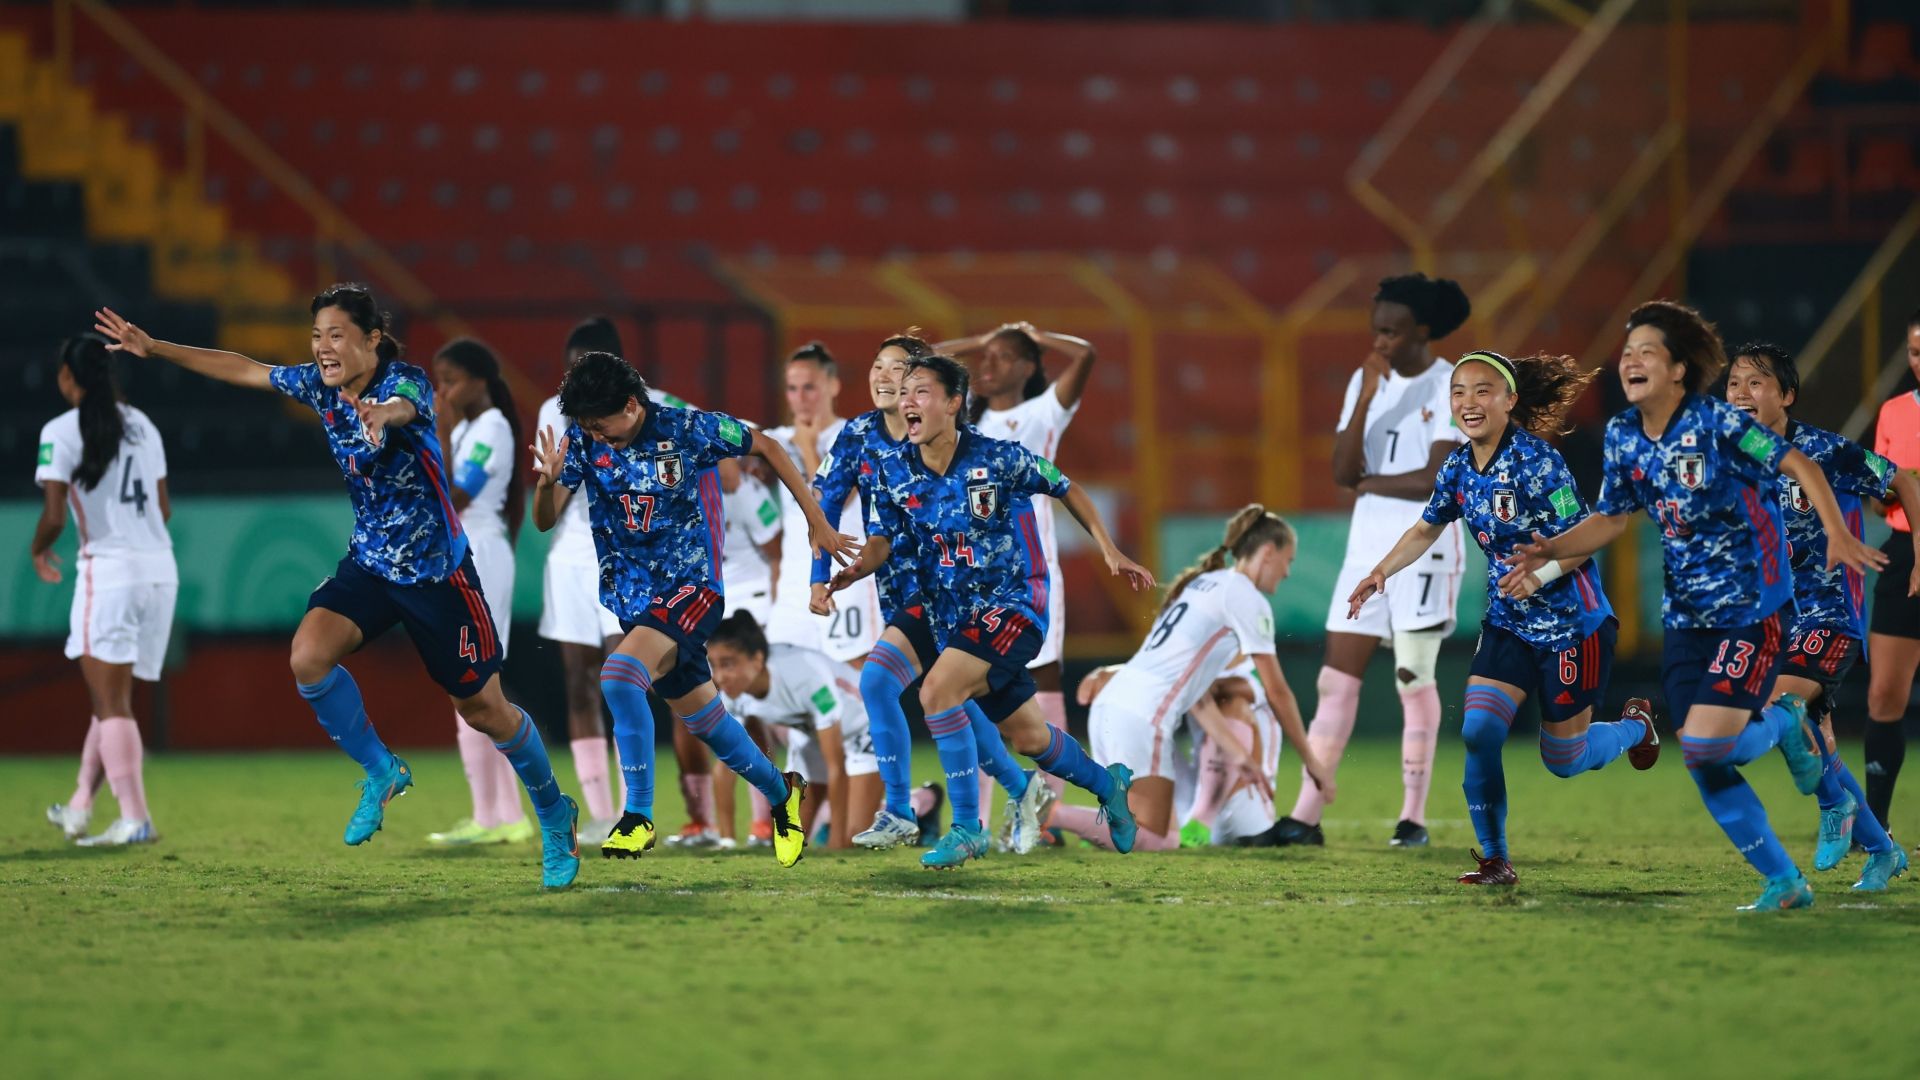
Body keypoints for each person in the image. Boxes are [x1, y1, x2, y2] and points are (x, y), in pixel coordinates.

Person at [95, 287, 582, 888]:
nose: (322, 348)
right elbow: (244, 369)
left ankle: (555, 813)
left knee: (485, 710)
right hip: (371, 565)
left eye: (335, 335)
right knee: (308, 656)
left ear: (371, 339)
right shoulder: (318, 386)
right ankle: (381, 770)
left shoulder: (406, 383)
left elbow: (404, 407)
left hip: (438, 574)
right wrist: (155, 348)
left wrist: (381, 414)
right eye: (316, 336)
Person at [1508, 300, 1886, 910]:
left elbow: (1797, 462)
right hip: (1685, 622)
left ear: (1679, 368)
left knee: (1710, 747)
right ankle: (1784, 881)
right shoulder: (1624, 434)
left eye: (1646, 351)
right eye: (1627, 352)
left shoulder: (1719, 423)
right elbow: (1612, 519)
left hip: (1754, 612)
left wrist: (1839, 534)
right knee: (1701, 756)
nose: (1630, 361)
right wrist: (1552, 549)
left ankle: (1787, 725)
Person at [826, 354, 1156, 869]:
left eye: (920, 391)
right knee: (1030, 737)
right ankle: (1108, 784)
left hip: (1013, 604)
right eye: (904, 392)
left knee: (938, 691)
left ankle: (966, 828)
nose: (907, 401)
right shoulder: (893, 470)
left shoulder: (998, 457)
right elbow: (881, 541)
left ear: (953, 403)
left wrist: (1109, 549)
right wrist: (853, 571)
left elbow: (1066, 487)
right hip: (949, 615)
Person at [1341, 350, 1657, 884]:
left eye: (1482, 390)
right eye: (1459, 391)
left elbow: (1583, 539)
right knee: (1479, 731)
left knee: (1565, 759)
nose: (1469, 401)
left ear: (1509, 400)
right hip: (1509, 623)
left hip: (1572, 625)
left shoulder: (1539, 462)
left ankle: (1635, 727)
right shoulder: (1457, 467)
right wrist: (1381, 571)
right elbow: (1426, 527)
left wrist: (1539, 575)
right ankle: (1495, 859)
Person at [530, 350, 852, 868]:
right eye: (586, 426)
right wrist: (547, 485)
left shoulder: (687, 429)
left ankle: (637, 815)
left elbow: (766, 445)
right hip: (633, 599)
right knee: (706, 720)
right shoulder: (584, 442)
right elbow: (544, 521)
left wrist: (816, 519)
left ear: (631, 405)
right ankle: (782, 792)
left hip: (692, 587)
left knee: (618, 677)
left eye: (600, 424)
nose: (595, 435)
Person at [808, 333, 1040, 851]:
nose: (882, 377)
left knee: (886, 685)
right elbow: (825, 503)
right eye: (877, 366)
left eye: (897, 369)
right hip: (894, 585)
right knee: (952, 702)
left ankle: (903, 809)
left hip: (949, 591)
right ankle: (1018, 787)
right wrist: (818, 576)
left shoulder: (952, 439)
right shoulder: (858, 434)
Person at [1270, 273, 1473, 849]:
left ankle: (1412, 818)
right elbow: (1342, 471)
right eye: (1376, 330)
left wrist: (1370, 482)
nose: (1380, 341)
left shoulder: (1451, 385)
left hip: (1424, 549)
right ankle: (1305, 816)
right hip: (1365, 551)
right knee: (1334, 682)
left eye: (1392, 331)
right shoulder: (1366, 381)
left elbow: (1437, 479)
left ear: (1423, 331)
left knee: (1412, 677)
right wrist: (1364, 397)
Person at [1724, 343, 1915, 889]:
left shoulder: (1824, 451)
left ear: (1786, 395)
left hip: (1828, 615)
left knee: (1777, 707)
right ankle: (1882, 850)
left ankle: (1834, 808)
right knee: (1815, 742)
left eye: (1756, 383)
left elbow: (1903, 481)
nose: (1741, 394)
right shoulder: (1724, 457)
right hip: (1769, 622)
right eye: (1733, 383)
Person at [1062, 506, 1334, 852]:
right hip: (1144, 716)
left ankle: (1083, 825)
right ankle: (1052, 813)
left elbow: (1198, 696)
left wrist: (1239, 756)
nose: (1288, 572)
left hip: (1112, 706)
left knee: (1136, 824)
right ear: (1268, 552)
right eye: (1288, 560)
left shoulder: (1204, 583)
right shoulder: (1245, 597)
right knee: (1159, 837)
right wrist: (1313, 763)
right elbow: (1277, 691)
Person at [534, 317, 693, 844]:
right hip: (570, 557)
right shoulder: (554, 412)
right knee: (579, 681)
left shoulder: (654, 408)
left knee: (625, 675)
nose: (573, 378)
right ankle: (600, 811)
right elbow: (550, 497)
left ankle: (636, 806)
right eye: (569, 367)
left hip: (626, 556)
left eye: (583, 365)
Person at [936, 323, 1099, 799]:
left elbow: (1085, 353)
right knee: (968, 685)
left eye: (1003, 356)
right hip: (972, 575)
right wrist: (982, 341)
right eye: (986, 358)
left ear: (1028, 367)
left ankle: (1051, 810)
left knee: (1042, 678)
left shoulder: (1042, 413)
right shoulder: (966, 418)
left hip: (1032, 573)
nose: (988, 364)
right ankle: (979, 814)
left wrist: (1034, 336)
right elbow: (921, 362)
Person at [33, 335, 174, 847]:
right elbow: (163, 509)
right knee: (111, 699)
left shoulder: (59, 431)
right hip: (160, 573)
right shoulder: (143, 425)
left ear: (67, 377)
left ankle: (135, 818)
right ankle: (80, 805)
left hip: (110, 573)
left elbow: (54, 516)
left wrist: (37, 550)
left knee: (111, 702)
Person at [424, 338, 534, 848]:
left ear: (480, 381)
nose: (443, 391)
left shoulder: (491, 428)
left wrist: (442, 432)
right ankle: (496, 814)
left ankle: (500, 815)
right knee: (471, 685)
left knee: (475, 680)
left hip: (482, 552)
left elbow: (455, 494)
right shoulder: (471, 428)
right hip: (463, 551)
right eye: (439, 382)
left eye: (451, 381)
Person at [708, 611, 880, 849]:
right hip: (811, 737)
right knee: (788, 843)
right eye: (714, 665)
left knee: (853, 838)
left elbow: (836, 765)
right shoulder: (733, 694)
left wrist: (837, 844)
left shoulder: (805, 675)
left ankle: (917, 807)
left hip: (863, 727)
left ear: (757, 660)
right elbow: (724, 768)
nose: (719, 677)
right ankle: (838, 819)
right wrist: (726, 840)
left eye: (727, 664)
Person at [765, 344, 882, 663]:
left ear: (833, 386)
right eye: (792, 388)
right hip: (792, 590)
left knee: (854, 679)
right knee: (783, 677)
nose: (800, 398)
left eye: (809, 387)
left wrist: (807, 447)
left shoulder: (854, 436)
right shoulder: (776, 439)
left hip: (845, 581)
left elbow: (832, 501)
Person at [1862, 310, 1920, 828]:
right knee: (1883, 694)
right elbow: (1880, 500)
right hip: (1903, 553)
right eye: (1915, 352)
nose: (1919, 361)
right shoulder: (1894, 412)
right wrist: (1892, 492)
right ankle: (1875, 827)